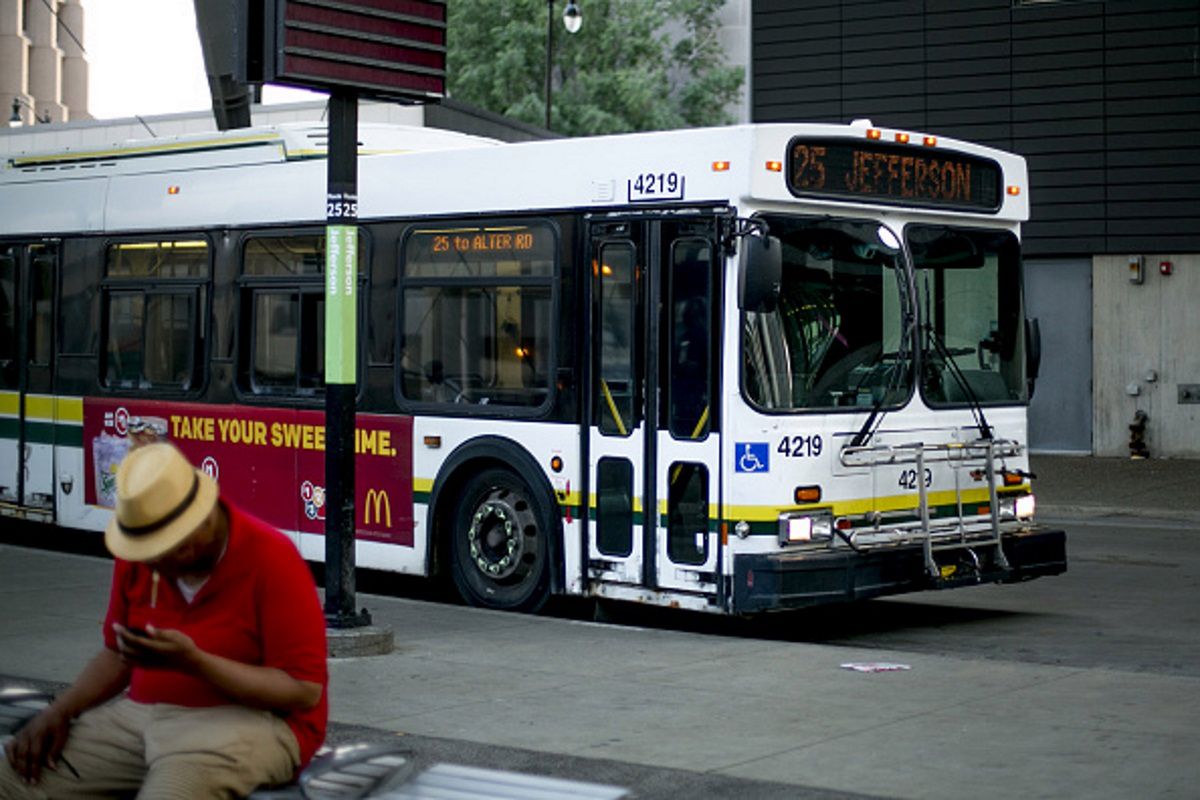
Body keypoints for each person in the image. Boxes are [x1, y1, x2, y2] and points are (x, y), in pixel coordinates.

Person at [1, 442, 328, 799]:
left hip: (250, 722)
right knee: (13, 776)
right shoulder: (142, 554)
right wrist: (61, 711)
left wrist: (195, 663)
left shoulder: (272, 559)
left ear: (197, 530)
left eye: (163, 553)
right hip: (141, 715)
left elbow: (302, 690)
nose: (150, 566)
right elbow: (115, 654)